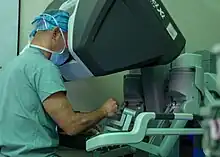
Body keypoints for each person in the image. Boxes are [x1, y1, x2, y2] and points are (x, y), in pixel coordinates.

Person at [0, 9, 118, 157]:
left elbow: (29, 115)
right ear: (55, 33)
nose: (68, 50)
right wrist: (104, 110)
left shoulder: (11, 66)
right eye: (67, 42)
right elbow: (72, 125)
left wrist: (85, 123)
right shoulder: (44, 67)